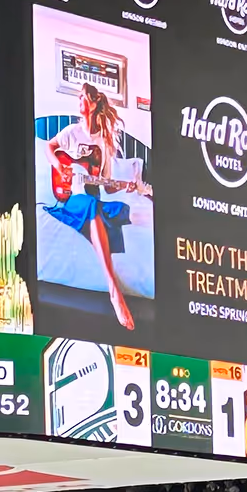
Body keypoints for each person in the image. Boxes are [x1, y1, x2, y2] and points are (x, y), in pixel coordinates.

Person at [43, 82, 148, 329]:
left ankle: (114, 287)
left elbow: (108, 185)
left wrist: (127, 186)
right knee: (91, 205)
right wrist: (60, 167)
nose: (79, 100)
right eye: (78, 96)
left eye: (83, 97)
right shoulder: (70, 132)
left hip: (93, 198)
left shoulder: (103, 143)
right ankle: (114, 290)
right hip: (72, 199)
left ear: (92, 102)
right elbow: (50, 147)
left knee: (117, 209)